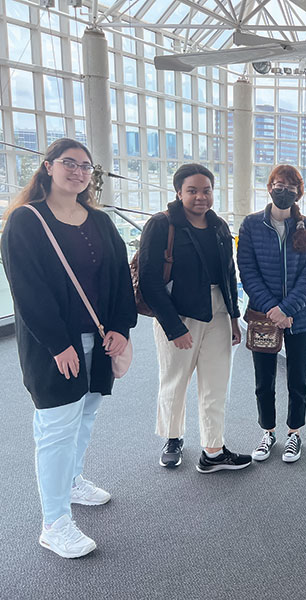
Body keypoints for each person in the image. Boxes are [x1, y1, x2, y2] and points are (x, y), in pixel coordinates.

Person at [1, 138, 137, 558]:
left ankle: (72, 481)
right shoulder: (26, 221)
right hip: (54, 345)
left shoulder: (98, 220)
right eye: (68, 163)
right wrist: (59, 344)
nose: (77, 172)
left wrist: (120, 329)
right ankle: (54, 522)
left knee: (85, 416)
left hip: (98, 339)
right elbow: (28, 290)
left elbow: (118, 276)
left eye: (84, 166)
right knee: (57, 428)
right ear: (47, 167)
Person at [138, 163, 249, 473]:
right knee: (175, 379)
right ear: (179, 192)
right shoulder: (161, 225)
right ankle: (173, 438)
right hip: (179, 312)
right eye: (192, 190)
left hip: (217, 310)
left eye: (206, 190)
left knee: (216, 382)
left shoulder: (218, 227)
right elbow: (149, 280)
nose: (201, 196)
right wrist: (173, 327)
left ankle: (213, 450)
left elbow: (229, 274)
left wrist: (233, 318)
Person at [238, 164, 306, 464]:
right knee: (264, 379)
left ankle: (294, 433)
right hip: (263, 316)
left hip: (300, 318)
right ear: (268, 187)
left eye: (290, 187)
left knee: (298, 380)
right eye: (278, 184)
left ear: (299, 192)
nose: (283, 190)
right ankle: (268, 431)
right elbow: (247, 272)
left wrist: (286, 310)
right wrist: (273, 311)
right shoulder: (250, 225)